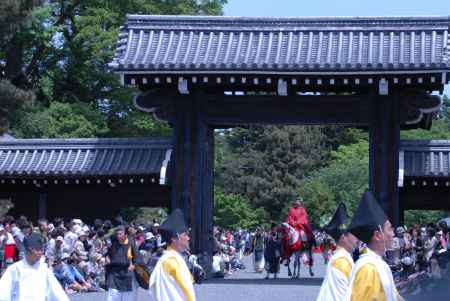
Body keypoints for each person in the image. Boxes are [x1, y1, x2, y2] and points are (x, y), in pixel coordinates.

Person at [344, 191, 404, 301]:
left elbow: (395, 297)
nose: (393, 234)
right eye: (390, 229)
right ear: (377, 235)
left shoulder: (378, 264)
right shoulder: (368, 269)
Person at [0, 233, 69, 301]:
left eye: (42, 249)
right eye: (38, 249)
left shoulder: (44, 270)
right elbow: (3, 294)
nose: (41, 252)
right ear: (29, 250)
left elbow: (58, 293)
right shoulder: (14, 269)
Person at [149, 208, 196, 301]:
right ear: (175, 238)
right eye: (185, 235)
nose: (188, 238)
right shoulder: (173, 261)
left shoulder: (166, 259)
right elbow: (187, 290)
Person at [317, 203, 358, 301]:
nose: (357, 238)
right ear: (344, 237)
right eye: (354, 235)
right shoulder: (341, 262)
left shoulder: (343, 257)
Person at [105, 225, 139, 301]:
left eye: (120, 234)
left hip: (127, 274)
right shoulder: (114, 244)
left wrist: (133, 265)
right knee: (112, 297)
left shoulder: (131, 243)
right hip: (114, 273)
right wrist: (107, 258)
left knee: (127, 297)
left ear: (125, 235)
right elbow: (108, 254)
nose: (118, 235)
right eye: (117, 234)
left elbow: (137, 258)